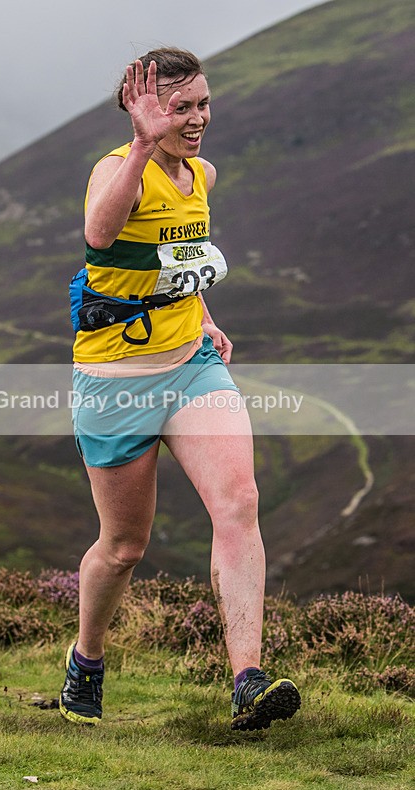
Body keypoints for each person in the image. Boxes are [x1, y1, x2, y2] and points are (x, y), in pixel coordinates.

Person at [61, 48, 301, 731]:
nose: (198, 119)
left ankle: (247, 681)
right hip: (116, 378)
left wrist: (204, 317)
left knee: (240, 502)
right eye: (180, 107)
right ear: (145, 110)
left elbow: (177, 261)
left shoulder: (202, 175)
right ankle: (87, 659)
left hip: (192, 365)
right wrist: (139, 147)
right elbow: (101, 234)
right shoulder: (116, 171)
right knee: (124, 546)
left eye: (202, 104)